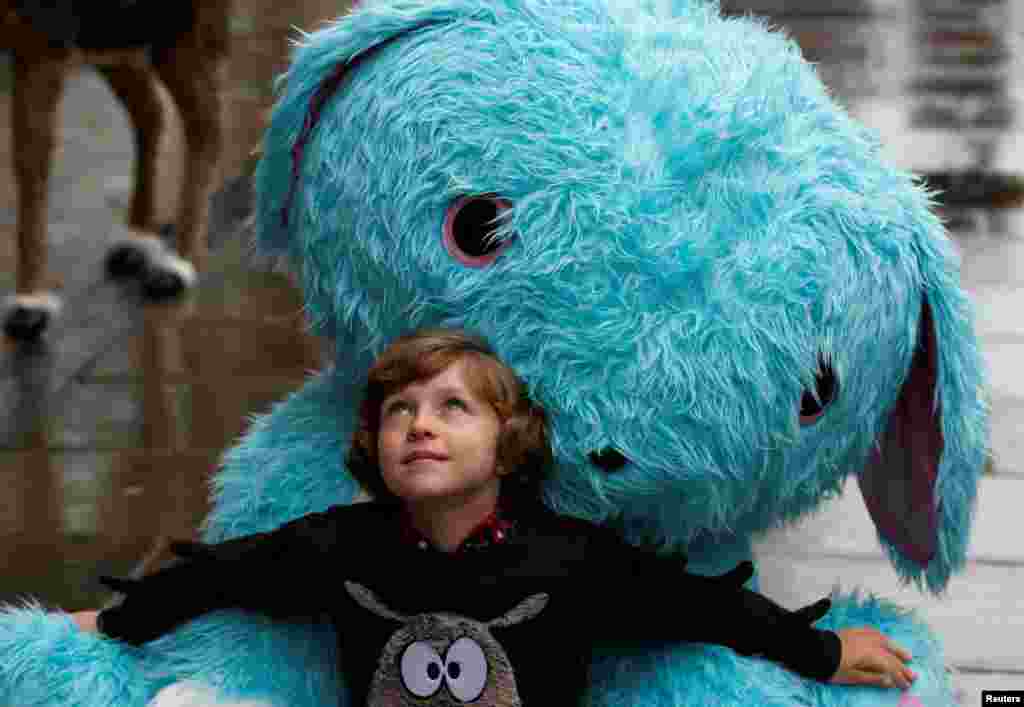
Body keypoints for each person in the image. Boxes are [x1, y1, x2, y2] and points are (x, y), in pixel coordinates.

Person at [72, 327, 918, 705]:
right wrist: (114, 621)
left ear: (508, 441)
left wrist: (822, 650)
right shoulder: (339, 544)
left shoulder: (571, 558)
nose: (422, 424)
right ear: (375, 441)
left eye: (453, 407)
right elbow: (222, 573)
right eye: (400, 410)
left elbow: (701, 605)